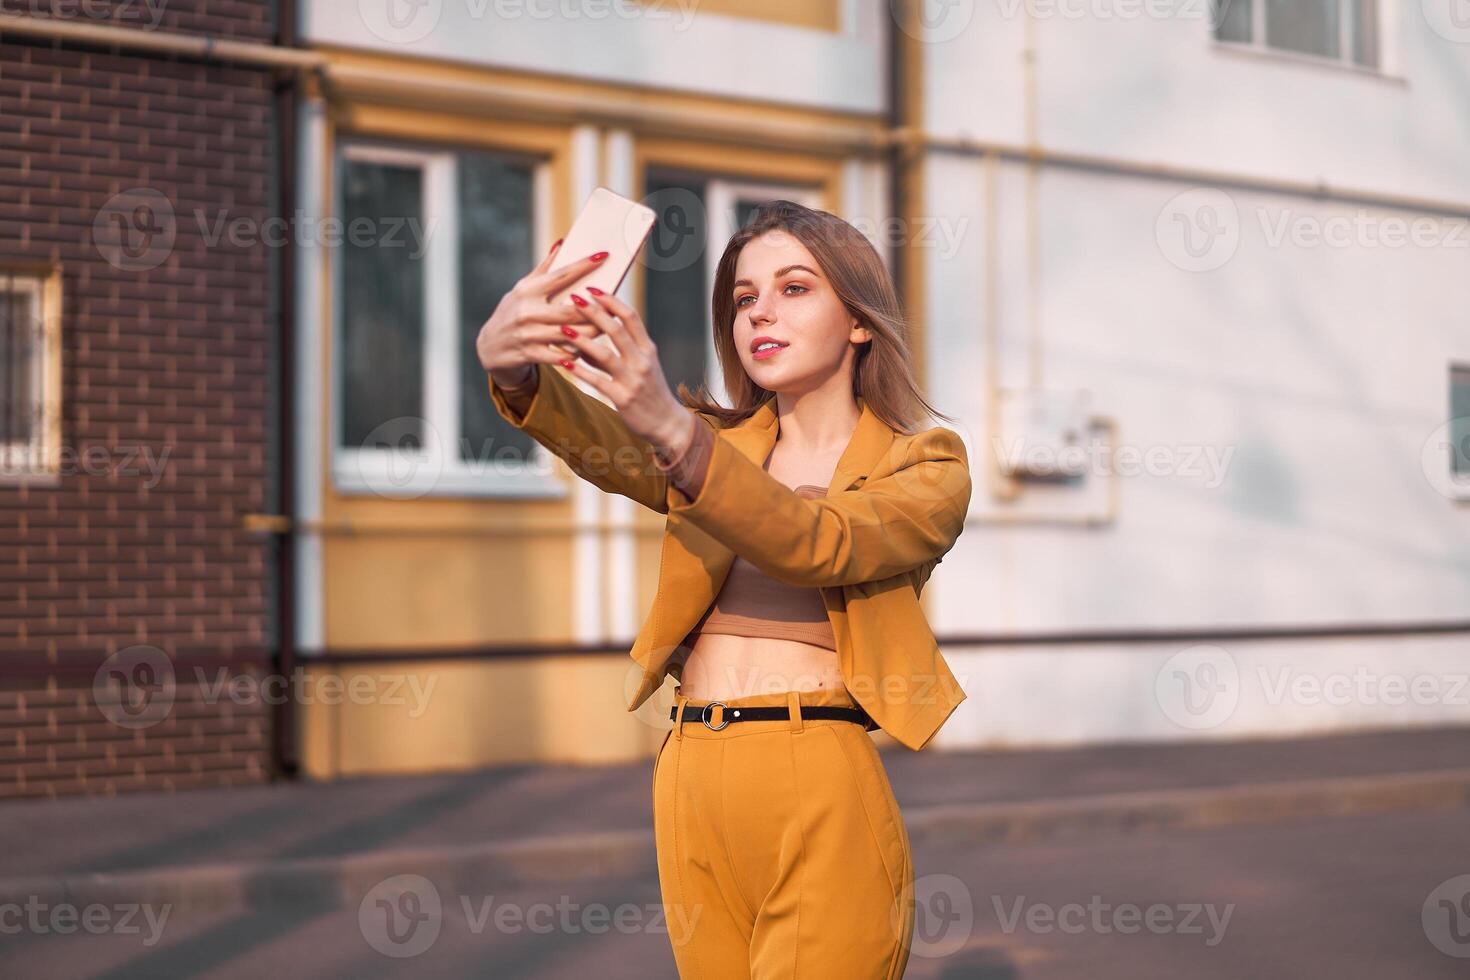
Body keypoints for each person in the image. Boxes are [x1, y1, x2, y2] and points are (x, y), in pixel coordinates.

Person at [477, 199, 971, 979]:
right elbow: (601, 444)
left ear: (860, 322)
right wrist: (512, 366)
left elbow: (819, 543)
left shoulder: (928, 465)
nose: (760, 313)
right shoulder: (717, 448)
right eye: (744, 299)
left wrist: (673, 430)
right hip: (688, 771)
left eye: (794, 288)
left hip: (816, 767)